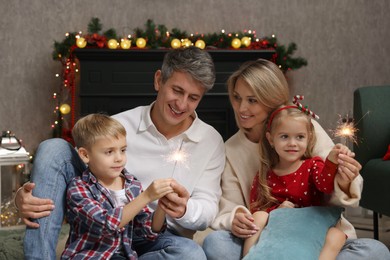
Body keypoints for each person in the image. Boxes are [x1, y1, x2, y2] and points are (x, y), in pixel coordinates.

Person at [15, 46, 225, 260]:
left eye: (193, 97)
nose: (182, 104)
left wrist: (184, 209)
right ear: (159, 80)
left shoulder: (210, 140)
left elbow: (208, 209)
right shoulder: (117, 126)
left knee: (190, 255)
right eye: (177, 91)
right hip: (102, 227)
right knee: (54, 149)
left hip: (158, 237)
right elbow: (70, 174)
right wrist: (25, 196)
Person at [203, 59, 390, 259]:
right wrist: (236, 218)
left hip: (316, 234)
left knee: (376, 251)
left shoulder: (305, 129)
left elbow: (331, 181)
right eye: (237, 97)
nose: (241, 109)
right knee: (215, 244)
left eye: (252, 100)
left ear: (272, 100)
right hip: (266, 237)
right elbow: (230, 207)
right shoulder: (230, 149)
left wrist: (343, 179)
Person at [243, 103, 349, 259]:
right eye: (284, 136)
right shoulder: (265, 175)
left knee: (337, 234)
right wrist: (277, 211)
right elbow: (255, 209)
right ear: (271, 139)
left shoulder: (313, 165)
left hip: (309, 229)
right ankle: (249, 256)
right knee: (258, 216)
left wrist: (332, 161)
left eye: (299, 137)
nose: (292, 143)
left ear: (309, 138)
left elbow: (325, 186)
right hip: (277, 231)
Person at [62, 113, 174, 259]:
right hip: (92, 256)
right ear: (85, 155)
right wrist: (146, 196)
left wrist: (162, 207)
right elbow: (105, 224)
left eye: (122, 150)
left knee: (182, 250)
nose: (119, 158)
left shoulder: (131, 184)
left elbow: (146, 231)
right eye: (109, 152)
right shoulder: (78, 188)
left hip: (124, 254)